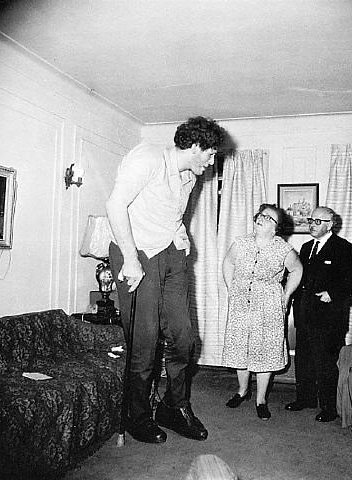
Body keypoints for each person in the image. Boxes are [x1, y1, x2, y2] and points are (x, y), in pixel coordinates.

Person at [106, 116, 226, 443]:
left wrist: (180, 233)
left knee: (184, 338)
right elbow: (115, 205)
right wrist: (131, 260)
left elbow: (170, 213)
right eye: (210, 154)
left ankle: (174, 407)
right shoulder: (147, 157)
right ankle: (137, 415)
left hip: (170, 252)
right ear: (195, 146)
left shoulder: (190, 176)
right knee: (143, 342)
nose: (211, 162)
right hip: (137, 251)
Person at [222, 204, 303, 420]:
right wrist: (231, 288)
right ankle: (242, 391)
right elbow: (228, 262)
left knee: (264, 351)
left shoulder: (283, 249)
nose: (261, 218)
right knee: (241, 348)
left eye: (268, 217)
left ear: (276, 228)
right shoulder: (241, 243)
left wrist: (286, 294)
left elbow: (297, 270)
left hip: (268, 305)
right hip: (241, 303)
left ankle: (261, 400)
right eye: (261, 215)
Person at [285, 206, 352, 422]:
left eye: (318, 222)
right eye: (311, 220)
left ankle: (329, 407)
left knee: (326, 363)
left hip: (329, 319)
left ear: (331, 225)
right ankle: (305, 398)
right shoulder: (306, 247)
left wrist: (333, 294)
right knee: (304, 359)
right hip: (305, 315)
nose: (312, 225)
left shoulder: (344, 248)